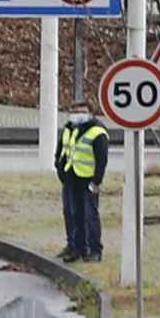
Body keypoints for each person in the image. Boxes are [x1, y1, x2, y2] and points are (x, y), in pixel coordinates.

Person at [61, 100, 109, 263]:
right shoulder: (71, 128)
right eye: (74, 112)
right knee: (73, 214)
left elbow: (101, 159)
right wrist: (60, 168)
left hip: (88, 179)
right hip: (71, 176)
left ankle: (95, 250)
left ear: (90, 113)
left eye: (81, 111)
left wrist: (96, 181)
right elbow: (64, 150)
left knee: (90, 215)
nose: (77, 115)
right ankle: (76, 248)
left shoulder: (97, 132)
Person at [53, 107, 83, 261]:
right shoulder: (68, 129)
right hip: (68, 176)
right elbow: (61, 149)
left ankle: (82, 247)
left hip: (84, 178)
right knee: (68, 212)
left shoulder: (91, 130)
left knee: (82, 213)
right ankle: (71, 244)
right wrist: (58, 165)